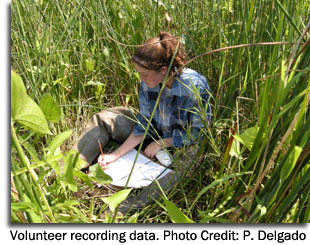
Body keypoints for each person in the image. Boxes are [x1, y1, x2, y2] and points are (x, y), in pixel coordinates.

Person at [97, 32, 211, 169]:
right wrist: (115, 155)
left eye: (144, 74)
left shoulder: (192, 86)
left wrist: (163, 143)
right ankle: (74, 163)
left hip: (183, 143)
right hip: (155, 133)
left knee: (186, 165)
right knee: (104, 118)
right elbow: (143, 124)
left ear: (163, 70)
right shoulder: (148, 83)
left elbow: (200, 132)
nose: (141, 79)